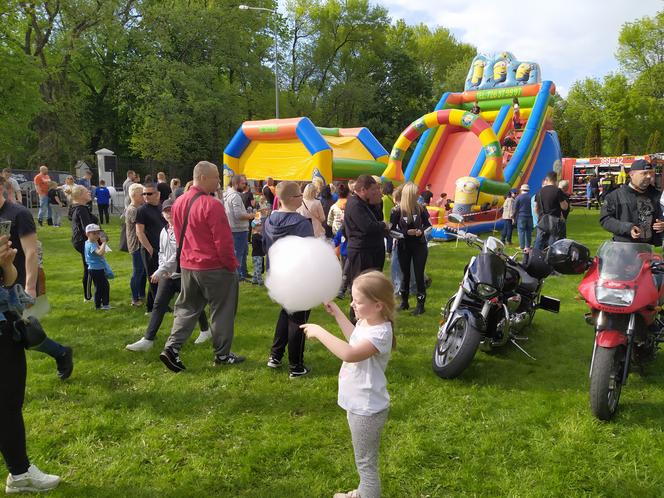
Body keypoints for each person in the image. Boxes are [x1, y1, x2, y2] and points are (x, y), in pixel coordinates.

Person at [301, 271, 395, 498]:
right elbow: (355, 338)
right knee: (362, 459)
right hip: (359, 404)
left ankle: (368, 493)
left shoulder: (381, 333)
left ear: (378, 305)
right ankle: (362, 493)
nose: (352, 304)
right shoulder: (367, 321)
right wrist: (337, 314)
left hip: (368, 409)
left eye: (358, 301)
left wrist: (320, 332)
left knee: (366, 463)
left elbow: (350, 353)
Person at [160, 161, 244, 372]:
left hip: (189, 265)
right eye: (216, 177)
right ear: (203, 177)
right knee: (222, 310)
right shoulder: (212, 204)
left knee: (187, 308)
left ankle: (172, 348)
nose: (219, 181)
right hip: (215, 267)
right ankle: (223, 355)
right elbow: (223, 242)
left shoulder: (179, 202)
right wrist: (231, 265)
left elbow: (178, 237)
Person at [0, 234, 62, 493]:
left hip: (6, 327)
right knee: (7, 405)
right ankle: (20, 473)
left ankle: (20, 471)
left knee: (9, 404)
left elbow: (7, 282)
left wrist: (6, 265)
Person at [0, 176, 73, 379]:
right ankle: (61, 352)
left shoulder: (18, 214)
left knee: (23, 334)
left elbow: (31, 252)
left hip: (16, 285)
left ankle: (61, 352)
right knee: (19, 334)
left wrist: (30, 287)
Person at [126, 199, 210, 351]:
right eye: (165, 211)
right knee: (158, 305)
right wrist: (162, 268)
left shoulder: (183, 229)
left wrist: (160, 270)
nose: (169, 213)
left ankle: (205, 330)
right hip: (168, 274)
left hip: (183, 273)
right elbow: (163, 252)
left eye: (172, 210)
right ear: (162, 214)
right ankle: (148, 339)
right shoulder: (164, 230)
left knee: (192, 304)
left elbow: (178, 253)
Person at [263, 181, 315, 377]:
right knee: (298, 320)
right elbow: (310, 253)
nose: (302, 197)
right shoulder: (301, 224)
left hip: (277, 276)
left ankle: (275, 356)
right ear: (294, 199)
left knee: (286, 313)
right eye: (300, 195)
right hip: (298, 278)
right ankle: (296, 366)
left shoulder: (269, 220)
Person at [390, 182, 431, 315]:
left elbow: (429, 225)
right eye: (415, 194)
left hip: (420, 245)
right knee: (405, 274)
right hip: (404, 246)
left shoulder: (421, 208)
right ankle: (404, 302)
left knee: (419, 275)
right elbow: (391, 230)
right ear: (409, 195)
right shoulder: (396, 210)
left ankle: (421, 305)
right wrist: (405, 233)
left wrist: (421, 231)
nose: (418, 196)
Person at [600, 160, 664, 245]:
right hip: (624, 248)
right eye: (644, 173)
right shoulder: (615, 196)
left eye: (650, 173)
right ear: (631, 174)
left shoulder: (657, 195)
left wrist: (662, 224)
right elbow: (605, 219)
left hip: (648, 250)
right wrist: (628, 228)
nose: (649, 176)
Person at [344, 175, 387, 296]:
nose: (376, 192)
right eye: (373, 190)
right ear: (363, 190)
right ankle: (356, 314)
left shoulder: (365, 203)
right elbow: (367, 226)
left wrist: (377, 203)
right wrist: (383, 225)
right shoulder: (355, 204)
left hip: (372, 249)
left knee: (373, 286)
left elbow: (375, 219)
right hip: (361, 252)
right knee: (362, 286)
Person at [135, 183, 166, 313]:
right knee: (154, 278)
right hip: (150, 249)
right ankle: (160, 307)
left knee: (159, 277)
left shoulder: (160, 207)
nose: (146, 196)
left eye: (149, 193)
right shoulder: (142, 210)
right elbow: (139, 232)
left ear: (158, 194)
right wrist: (149, 248)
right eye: (144, 194)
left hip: (161, 248)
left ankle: (150, 306)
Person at [70, 185, 98, 301]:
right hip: (83, 241)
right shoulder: (81, 209)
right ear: (81, 195)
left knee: (91, 266)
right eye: (87, 192)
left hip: (81, 241)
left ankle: (96, 292)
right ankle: (88, 296)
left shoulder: (79, 207)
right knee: (90, 267)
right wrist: (98, 241)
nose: (90, 193)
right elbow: (88, 228)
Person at [224, 175, 254, 281]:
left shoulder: (228, 194)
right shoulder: (235, 196)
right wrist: (251, 216)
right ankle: (237, 276)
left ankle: (242, 273)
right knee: (239, 255)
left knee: (242, 253)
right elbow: (238, 215)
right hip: (238, 230)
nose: (245, 185)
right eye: (243, 183)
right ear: (236, 184)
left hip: (236, 229)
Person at [533, 171, 568, 251]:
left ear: (547, 179)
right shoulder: (557, 191)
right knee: (554, 244)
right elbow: (564, 207)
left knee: (539, 242)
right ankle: (551, 259)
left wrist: (541, 215)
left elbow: (536, 209)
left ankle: (535, 257)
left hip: (542, 220)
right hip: (554, 221)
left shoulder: (539, 192)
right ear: (555, 180)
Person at [125, 183, 146, 307]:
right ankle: (134, 298)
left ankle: (141, 294)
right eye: (141, 194)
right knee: (137, 271)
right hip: (136, 245)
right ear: (134, 195)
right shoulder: (133, 210)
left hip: (140, 244)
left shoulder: (138, 208)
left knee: (142, 271)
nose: (144, 196)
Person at [84, 223, 112, 309]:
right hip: (95, 269)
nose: (97, 235)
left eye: (98, 233)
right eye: (94, 233)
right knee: (100, 287)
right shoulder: (90, 244)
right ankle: (99, 305)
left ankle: (105, 304)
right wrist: (103, 243)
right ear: (88, 234)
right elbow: (100, 253)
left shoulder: (92, 242)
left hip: (98, 268)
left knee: (104, 286)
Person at [514, 184, 533, 250]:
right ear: (528, 190)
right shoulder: (531, 197)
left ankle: (522, 246)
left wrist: (514, 217)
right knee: (529, 232)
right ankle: (528, 246)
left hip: (521, 216)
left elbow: (515, 208)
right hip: (530, 217)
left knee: (521, 232)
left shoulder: (518, 197)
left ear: (521, 189)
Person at [251, 218, 265, 286]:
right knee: (259, 269)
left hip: (256, 255)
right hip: (258, 255)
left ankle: (254, 280)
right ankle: (260, 281)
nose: (261, 226)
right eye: (259, 225)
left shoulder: (256, 235)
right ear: (255, 227)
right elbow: (263, 241)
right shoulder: (257, 236)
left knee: (256, 267)